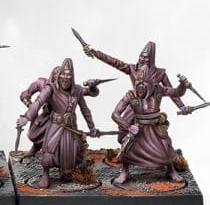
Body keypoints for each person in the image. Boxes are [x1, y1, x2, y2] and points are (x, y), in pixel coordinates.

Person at [16, 58, 99, 188]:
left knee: (72, 151)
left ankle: (65, 172)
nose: (65, 78)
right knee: (49, 151)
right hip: (55, 125)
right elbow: (38, 102)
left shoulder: (77, 90)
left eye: (68, 75)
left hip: (70, 127)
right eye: (62, 74)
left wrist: (92, 127)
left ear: (72, 77)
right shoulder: (49, 87)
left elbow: (85, 109)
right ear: (58, 75)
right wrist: (27, 117)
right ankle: (45, 175)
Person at [111, 68, 190, 184]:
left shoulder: (158, 90)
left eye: (143, 85)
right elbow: (115, 114)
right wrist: (128, 127)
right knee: (127, 149)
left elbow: (177, 92)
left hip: (155, 128)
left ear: (150, 84)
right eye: (138, 84)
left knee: (166, 147)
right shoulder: (131, 95)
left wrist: (182, 85)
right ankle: (125, 172)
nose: (140, 88)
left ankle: (171, 170)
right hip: (138, 129)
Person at [19, 67, 102, 157]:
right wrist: (30, 107)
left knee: (68, 141)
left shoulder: (71, 89)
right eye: (58, 75)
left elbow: (90, 92)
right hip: (46, 114)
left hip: (63, 118)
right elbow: (25, 94)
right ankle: (36, 149)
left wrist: (92, 86)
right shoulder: (42, 83)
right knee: (38, 133)